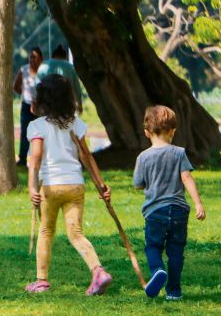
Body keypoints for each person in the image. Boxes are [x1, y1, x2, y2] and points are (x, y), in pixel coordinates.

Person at [26, 74, 112, 295]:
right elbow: (86, 157)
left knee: (46, 231)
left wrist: (32, 186)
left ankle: (41, 281)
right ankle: (98, 271)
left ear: (43, 100)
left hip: (51, 187)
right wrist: (101, 185)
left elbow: (35, 159)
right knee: (76, 233)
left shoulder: (37, 126)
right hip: (75, 185)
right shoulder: (77, 124)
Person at [133, 105, 206, 300]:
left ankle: (157, 270)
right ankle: (173, 291)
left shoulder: (143, 157)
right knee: (176, 251)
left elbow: (138, 184)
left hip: (155, 212)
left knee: (153, 246)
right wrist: (198, 203)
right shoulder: (179, 153)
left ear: (147, 132)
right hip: (179, 211)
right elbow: (187, 178)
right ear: (173, 131)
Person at [13, 46, 43, 167]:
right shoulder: (23, 70)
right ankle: (22, 158)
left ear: (41, 58)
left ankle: (41, 158)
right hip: (26, 106)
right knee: (24, 132)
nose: (32, 60)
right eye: (31, 57)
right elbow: (16, 86)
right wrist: (26, 97)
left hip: (41, 107)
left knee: (41, 132)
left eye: (35, 57)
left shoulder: (44, 71)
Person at [37, 44, 84, 114]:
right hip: (66, 104)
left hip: (47, 104)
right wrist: (79, 105)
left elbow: (37, 86)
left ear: (52, 56)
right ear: (65, 57)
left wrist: (35, 102)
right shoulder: (70, 67)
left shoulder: (43, 66)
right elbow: (77, 89)